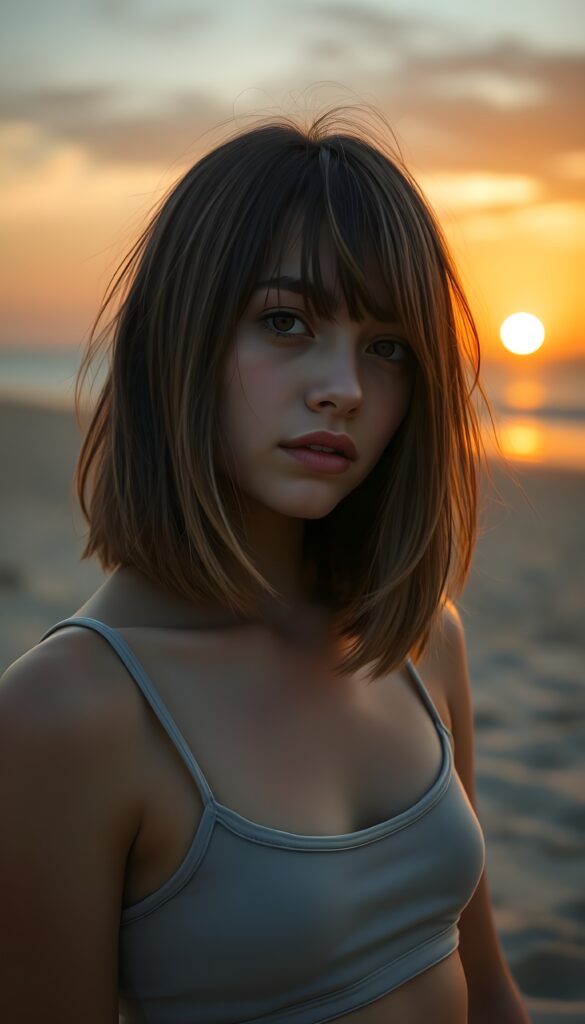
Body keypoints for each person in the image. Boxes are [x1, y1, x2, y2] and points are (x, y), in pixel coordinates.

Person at [0, 103, 530, 1023]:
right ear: (180, 336)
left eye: (387, 347)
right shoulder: (66, 712)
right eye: (285, 321)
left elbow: (485, 989)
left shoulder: (417, 641)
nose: (344, 389)